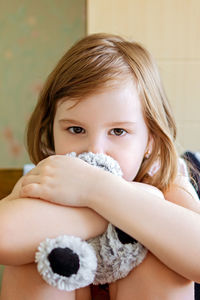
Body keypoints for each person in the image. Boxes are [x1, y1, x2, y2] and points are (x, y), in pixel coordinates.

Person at [0, 33, 200, 300]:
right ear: (51, 131)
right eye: (76, 129)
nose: (95, 150)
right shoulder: (50, 178)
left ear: (150, 139)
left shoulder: (163, 179)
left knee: (159, 260)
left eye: (118, 131)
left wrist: (101, 191)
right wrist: (98, 208)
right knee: (35, 262)